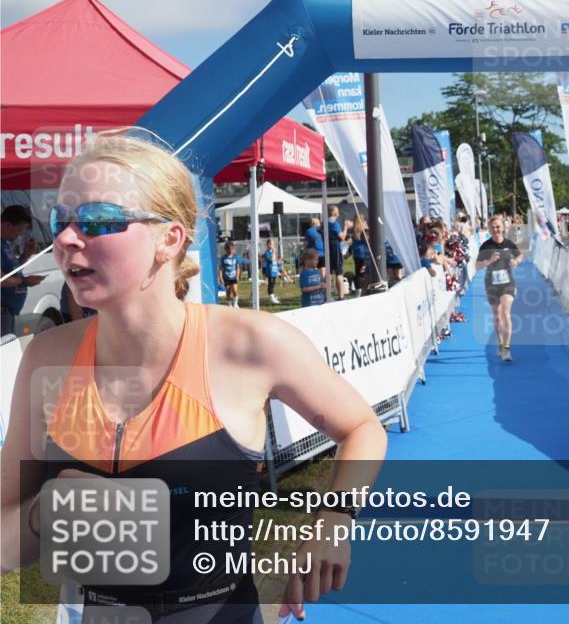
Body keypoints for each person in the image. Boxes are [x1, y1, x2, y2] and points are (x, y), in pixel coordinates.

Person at [0, 133, 387, 622]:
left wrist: (335, 519)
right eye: (62, 220)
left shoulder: (250, 344)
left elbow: (361, 428)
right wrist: (45, 518)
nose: (66, 238)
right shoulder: (47, 358)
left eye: (97, 220)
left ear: (170, 239)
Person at [475, 216, 521, 362]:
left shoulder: (509, 243)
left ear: (503, 228)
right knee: (497, 315)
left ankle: (506, 349)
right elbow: (477, 265)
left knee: (506, 314)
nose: (496, 229)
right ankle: (500, 343)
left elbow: (520, 255)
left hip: (508, 283)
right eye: (493, 227)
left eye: (498, 226)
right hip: (491, 284)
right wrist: (489, 261)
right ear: (489, 229)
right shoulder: (485, 246)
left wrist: (516, 261)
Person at [0, 205, 44, 337]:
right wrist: (24, 281)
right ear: (7, 225)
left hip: (8, 312)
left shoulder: (5, 243)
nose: (20, 234)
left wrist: (26, 254)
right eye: (19, 230)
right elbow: (1, 279)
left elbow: (12, 270)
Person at [327, 205, 351, 300]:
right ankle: (341, 296)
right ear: (335, 213)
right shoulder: (334, 223)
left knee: (328, 273)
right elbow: (342, 237)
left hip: (327, 248)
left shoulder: (324, 223)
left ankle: (327, 295)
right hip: (335, 249)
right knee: (339, 272)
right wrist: (346, 227)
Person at [219, 240, 241, 308]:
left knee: (234, 290)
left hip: (234, 277)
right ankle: (229, 303)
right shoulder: (223, 258)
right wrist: (221, 277)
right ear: (226, 249)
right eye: (228, 249)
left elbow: (238, 267)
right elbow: (221, 269)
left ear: (233, 249)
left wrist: (237, 276)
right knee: (228, 291)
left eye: (231, 249)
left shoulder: (235, 257)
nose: (230, 251)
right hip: (226, 277)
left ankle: (235, 303)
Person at [304, 216, 326, 281]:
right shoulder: (321, 230)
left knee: (312, 269)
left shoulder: (308, 231)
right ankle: (323, 282)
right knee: (322, 268)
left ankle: (315, 282)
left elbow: (306, 243)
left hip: (313, 253)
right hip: (323, 253)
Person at [262, 238, 281, 304]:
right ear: (267, 245)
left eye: (273, 244)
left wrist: (278, 267)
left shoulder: (273, 252)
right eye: (271, 244)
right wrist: (273, 252)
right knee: (271, 284)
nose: (272, 245)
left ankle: (273, 295)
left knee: (273, 283)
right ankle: (271, 297)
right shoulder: (267, 253)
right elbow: (272, 260)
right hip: (270, 271)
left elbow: (275, 260)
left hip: (274, 270)